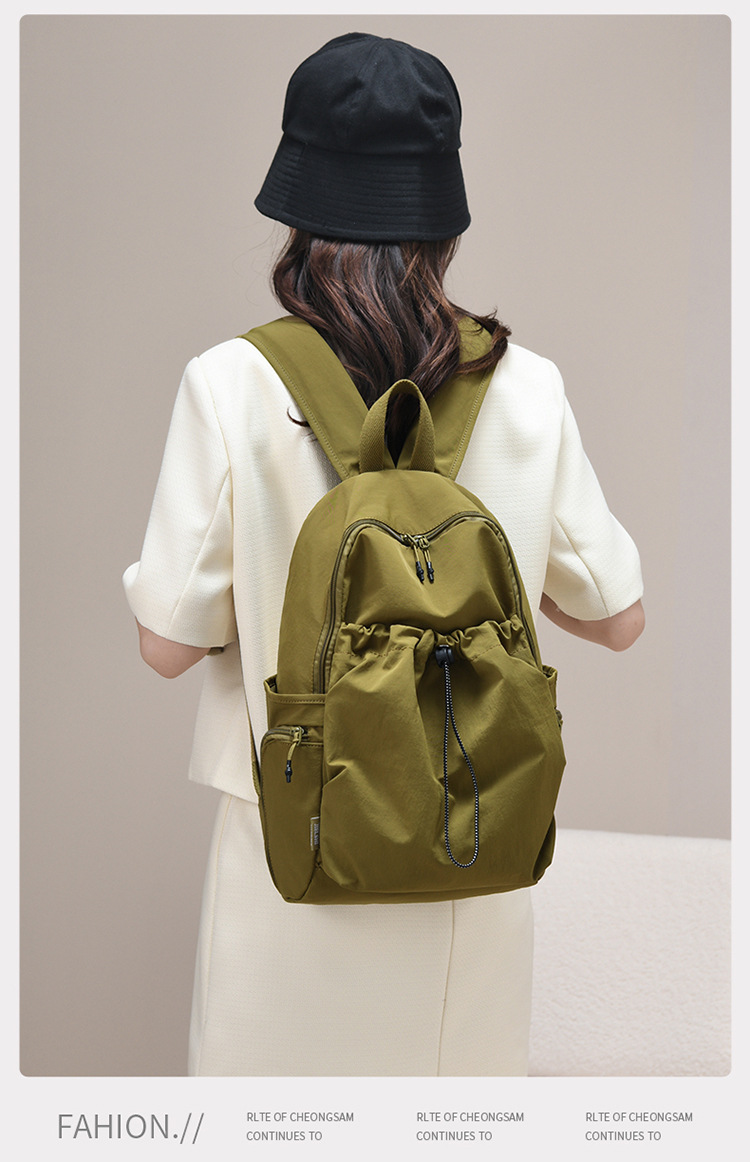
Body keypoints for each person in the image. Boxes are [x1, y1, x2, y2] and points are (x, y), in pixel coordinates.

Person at [124, 32, 644, 1077]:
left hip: (294, 846)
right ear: (441, 215)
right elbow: (617, 616)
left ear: (300, 210)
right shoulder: (525, 386)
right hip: (470, 849)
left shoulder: (230, 384)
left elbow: (168, 645)